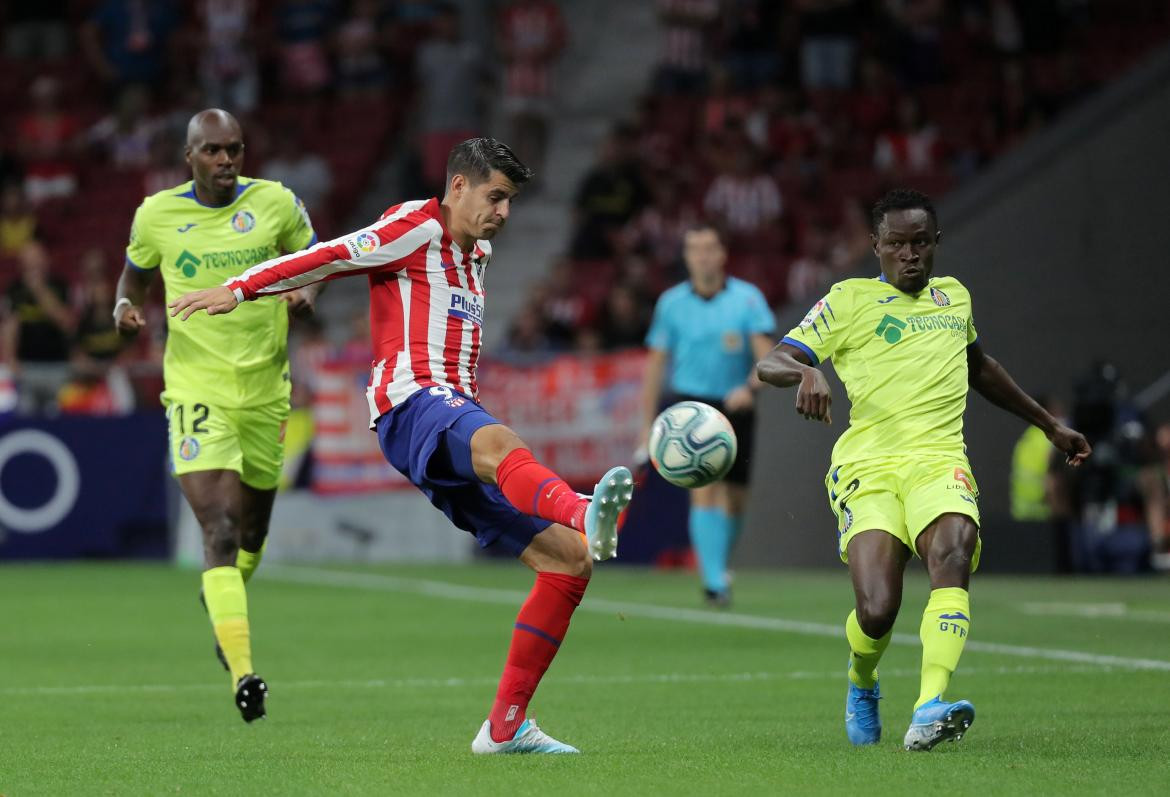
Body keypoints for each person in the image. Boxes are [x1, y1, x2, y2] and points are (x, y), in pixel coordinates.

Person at [169, 137, 635, 754]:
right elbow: (332, 256)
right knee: (501, 445)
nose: (503, 212)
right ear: (459, 187)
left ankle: (505, 727)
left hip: (450, 414)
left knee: (568, 562)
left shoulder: (479, 253)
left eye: (511, 201)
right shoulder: (412, 227)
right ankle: (582, 507)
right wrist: (238, 288)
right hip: (412, 404)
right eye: (495, 197)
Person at [756, 189, 1091, 751]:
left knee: (953, 554)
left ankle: (929, 705)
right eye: (896, 244)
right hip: (871, 465)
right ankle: (862, 679)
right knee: (878, 608)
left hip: (940, 461)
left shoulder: (953, 298)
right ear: (876, 247)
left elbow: (980, 368)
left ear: (935, 243)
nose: (909, 255)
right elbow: (771, 361)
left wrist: (1048, 424)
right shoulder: (849, 300)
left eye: (920, 243)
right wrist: (806, 373)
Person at [114, 109, 319, 722]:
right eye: (212, 151)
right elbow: (134, 278)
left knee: (251, 535)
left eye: (233, 150)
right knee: (220, 533)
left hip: (265, 392)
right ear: (190, 156)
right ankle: (243, 673)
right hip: (196, 391)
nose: (225, 161)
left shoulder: (278, 204)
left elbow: (317, 259)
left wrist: (307, 291)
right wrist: (125, 307)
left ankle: (224, 614)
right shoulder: (157, 215)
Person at [639, 223, 775, 606]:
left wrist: (749, 388)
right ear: (686, 256)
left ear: (722, 254)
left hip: (736, 406)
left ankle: (718, 564)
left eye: (709, 247)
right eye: (694, 248)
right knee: (704, 488)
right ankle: (714, 581)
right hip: (691, 409)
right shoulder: (671, 303)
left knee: (735, 498)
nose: (702, 255)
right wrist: (646, 422)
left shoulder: (747, 299)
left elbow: (766, 354)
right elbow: (655, 366)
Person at [1, 240, 74, 415]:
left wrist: (39, 289)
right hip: (25, 367)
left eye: (36, 258)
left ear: (45, 260)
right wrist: (10, 358)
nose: (32, 263)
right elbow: (10, 326)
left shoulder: (59, 286)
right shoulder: (14, 290)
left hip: (58, 366)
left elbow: (65, 322)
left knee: (62, 418)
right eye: (28, 259)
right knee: (26, 416)